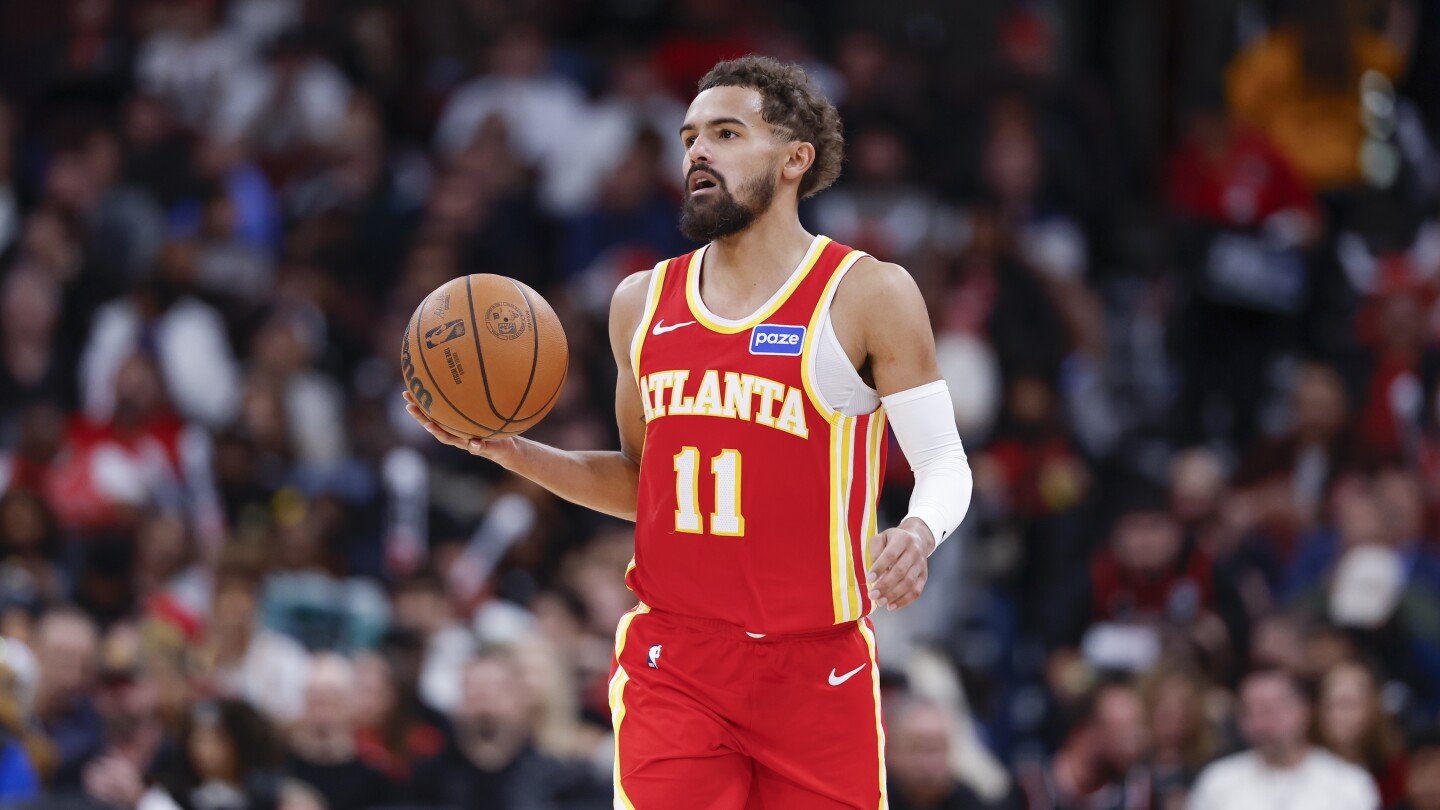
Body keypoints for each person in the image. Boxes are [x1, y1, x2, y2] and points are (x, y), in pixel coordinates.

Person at [405, 54, 973, 807]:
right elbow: (643, 484)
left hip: (817, 667)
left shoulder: (867, 293)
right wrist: (512, 451)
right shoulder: (641, 302)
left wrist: (919, 532)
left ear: (795, 159)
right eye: (690, 138)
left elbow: (944, 462)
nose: (699, 152)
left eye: (727, 133)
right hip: (676, 665)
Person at [1188, 668, 1378, 810]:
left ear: (1303, 711)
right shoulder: (1217, 781)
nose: (1260, 723)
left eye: (1269, 710)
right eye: (1249, 712)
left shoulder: (1349, 783)